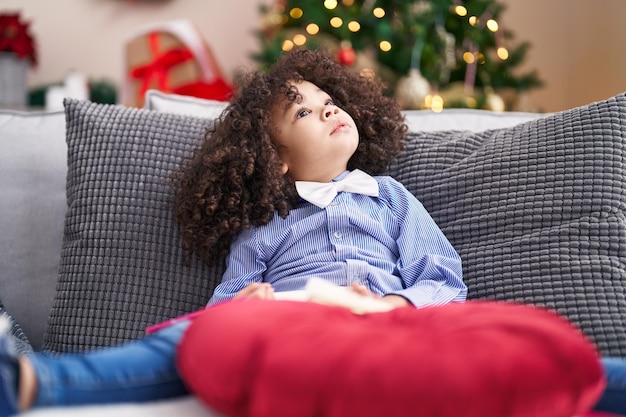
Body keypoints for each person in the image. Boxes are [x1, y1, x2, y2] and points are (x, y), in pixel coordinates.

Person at [0, 49, 467, 416]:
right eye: (302, 113)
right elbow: (228, 301)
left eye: (327, 102)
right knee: (184, 343)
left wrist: (392, 305)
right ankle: (31, 381)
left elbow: (443, 280)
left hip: (372, 328)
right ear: (276, 159)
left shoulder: (389, 197)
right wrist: (239, 309)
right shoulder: (267, 223)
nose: (327, 111)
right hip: (284, 328)